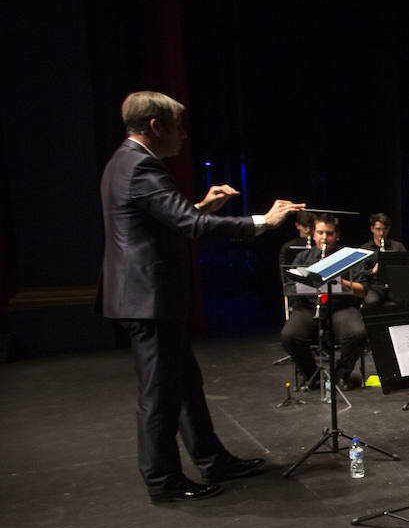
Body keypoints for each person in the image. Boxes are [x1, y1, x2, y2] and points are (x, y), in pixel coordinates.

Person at [99, 90, 302, 503]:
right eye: (178, 127)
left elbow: (168, 219)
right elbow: (191, 227)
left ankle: (212, 459)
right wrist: (264, 220)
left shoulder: (124, 162)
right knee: (159, 396)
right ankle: (163, 481)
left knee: (186, 385)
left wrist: (202, 207)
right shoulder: (142, 168)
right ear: (156, 126)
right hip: (148, 299)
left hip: (147, 297)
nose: (183, 136)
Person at [280, 214, 369, 390]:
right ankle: (312, 375)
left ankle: (340, 374)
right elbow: (290, 288)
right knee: (289, 336)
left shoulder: (349, 257)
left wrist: (339, 282)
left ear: (337, 236)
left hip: (340, 306)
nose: (324, 238)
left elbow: (363, 290)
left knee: (358, 333)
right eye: (320, 233)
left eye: (329, 233)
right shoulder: (303, 258)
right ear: (313, 235)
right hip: (309, 306)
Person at [357, 212, 405, 307]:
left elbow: (406, 268)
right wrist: (373, 271)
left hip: (393, 286)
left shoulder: (398, 247)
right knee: (372, 301)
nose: (381, 233)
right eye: (378, 229)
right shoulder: (364, 249)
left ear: (389, 229)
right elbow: (359, 274)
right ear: (372, 229)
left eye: (385, 229)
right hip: (374, 286)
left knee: (403, 299)